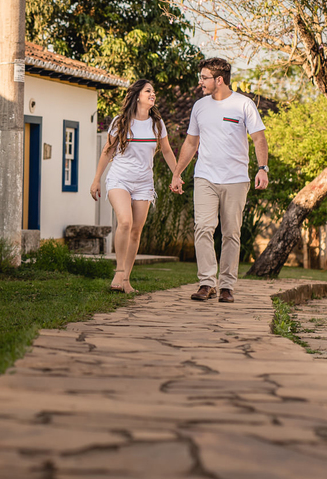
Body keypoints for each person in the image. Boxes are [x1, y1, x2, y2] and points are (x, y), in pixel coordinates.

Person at [170, 58, 268, 303]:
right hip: (205, 177)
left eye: (204, 77)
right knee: (203, 228)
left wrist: (262, 168)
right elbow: (191, 142)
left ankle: (226, 286)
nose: (200, 82)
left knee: (231, 233)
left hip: (235, 180)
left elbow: (258, 138)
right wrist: (177, 173)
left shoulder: (244, 105)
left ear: (219, 80)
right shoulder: (199, 107)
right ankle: (206, 282)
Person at [90, 80, 178, 293]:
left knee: (136, 232)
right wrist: (96, 179)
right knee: (126, 222)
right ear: (137, 95)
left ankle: (126, 280)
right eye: (148, 91)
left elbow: (166, 151)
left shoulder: (157, 124)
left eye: (154, 92)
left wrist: (177, 175)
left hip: (143, 183)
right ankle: (119, 272)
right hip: (119, 179)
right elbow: (107, 151)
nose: (153, 94)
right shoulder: (120, 121)